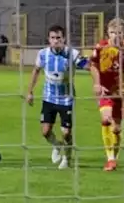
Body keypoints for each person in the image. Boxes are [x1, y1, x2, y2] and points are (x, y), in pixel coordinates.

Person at [26, 25, 88, 170]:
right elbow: (36, 71)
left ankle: (67, 159)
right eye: (53, 38)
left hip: (66, 98)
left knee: (66, 132)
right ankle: (56, 145)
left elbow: (86, 64)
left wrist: (91, 64)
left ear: (64, 39)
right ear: (49, 39)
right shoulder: (43, 54)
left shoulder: (71, 53)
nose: (56, 41)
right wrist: (30, 91)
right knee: (45, 131)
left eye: (58, 38)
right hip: (48, 97)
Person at [89, 18, 124, 172]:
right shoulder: (101, 47)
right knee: (105, 119)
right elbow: (93, 66)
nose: (116, 36)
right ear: (107, 33)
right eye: (112, 32)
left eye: (119, 33)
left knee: (116, 128)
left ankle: (114, 158)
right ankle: (110, 159)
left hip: (122, 92)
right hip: (105, 90)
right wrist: (97, 84)